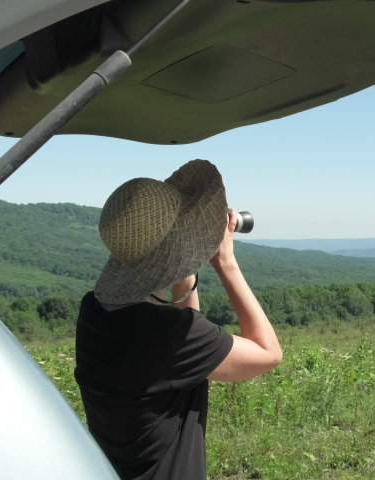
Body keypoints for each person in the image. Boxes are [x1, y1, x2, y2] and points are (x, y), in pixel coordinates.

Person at [74, 160, 282, 480]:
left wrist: (184, 270)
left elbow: (179, 343)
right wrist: (225, 261)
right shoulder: (166, 334)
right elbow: (268, 354)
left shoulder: (94, 312)